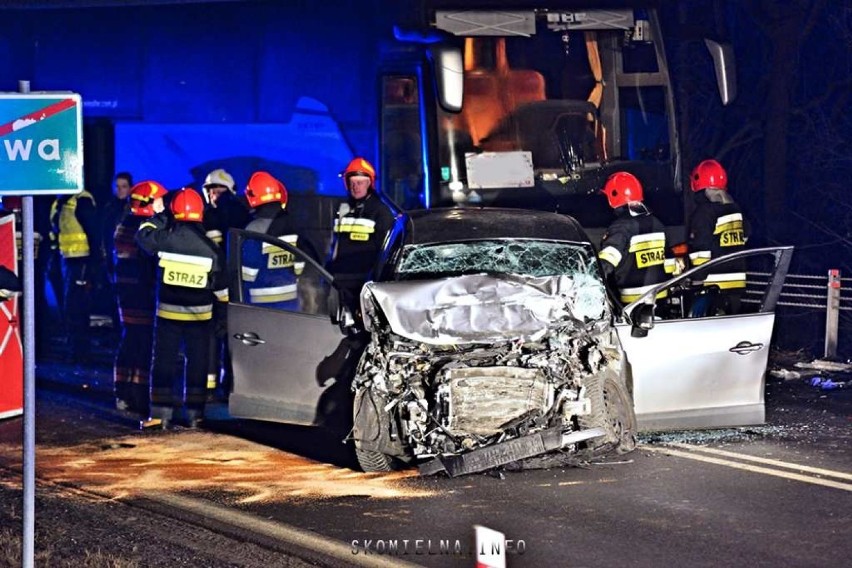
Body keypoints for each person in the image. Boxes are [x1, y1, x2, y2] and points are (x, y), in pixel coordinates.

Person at [136, 188, 227, 429]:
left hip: (168, 316)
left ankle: (159, 414)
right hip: (200, 318)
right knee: (197, 364)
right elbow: (222, 290)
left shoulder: (165, 239)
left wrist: (163, 216)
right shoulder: (211, 249)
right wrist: (223, 319)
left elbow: (143, 234)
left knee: (163, 363)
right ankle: (195, 415)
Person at [112, 180, 166, 415]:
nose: (164, 204)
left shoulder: (125, 223)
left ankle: (125, 392)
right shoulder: (143, 229)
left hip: (128, 293)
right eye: (160, 200)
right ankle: (137, 395)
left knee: (131, 340)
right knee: (142, 343)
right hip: (141, 295)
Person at [325, 157, 397, 320]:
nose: (355, 186)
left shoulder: (380, 212)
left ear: (369, 183)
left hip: (364, 283)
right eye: (352, 182)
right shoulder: (344, 210)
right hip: (341, 281)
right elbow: (335, 244)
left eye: (360, 182)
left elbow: (386, 251)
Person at [240, 171, 320, 311]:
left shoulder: (253, 229)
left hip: (259, 307)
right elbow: (307, 266)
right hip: (291, 305)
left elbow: (247, 274)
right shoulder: (294, 226)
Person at [201, 168, 247, 397]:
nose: (214, 195)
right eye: (211, 191)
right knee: (232, 336)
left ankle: (214, 388)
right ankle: (229, 385)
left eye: (218, 191)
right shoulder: (243, 213)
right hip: (236, 285)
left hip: (216, 284)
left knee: (215, 336)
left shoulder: (209, 216)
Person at [598, 171, 676, 304]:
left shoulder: (621, 228)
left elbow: (605, 264)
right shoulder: (658, 224)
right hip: (661, 299)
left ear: (614, 196)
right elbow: (669, 264)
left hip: (632, 303)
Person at [686, 159, 750, 316]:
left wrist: (697, 280)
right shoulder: (736, 210)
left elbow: (701, 249)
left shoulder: (704, 213)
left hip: (712, 287)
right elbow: (746, 237)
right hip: (736, 284)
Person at [49, 188, 99, 361]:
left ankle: (80, 351)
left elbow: (94, 234)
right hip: (64, 259)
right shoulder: (61, 200)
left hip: (80, 260)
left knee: (76, 307)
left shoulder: (82, 200)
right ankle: (74, 348)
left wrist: (92, 266)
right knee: (68, 307)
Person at [102, 172, 134, 330]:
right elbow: (105, 235)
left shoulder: (133, 210)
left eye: (124, 186)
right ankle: (117, 334)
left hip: (128, 262)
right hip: (112, 259)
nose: (120, 190)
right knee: (113, 299)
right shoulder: (110, 208)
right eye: (117, 186)